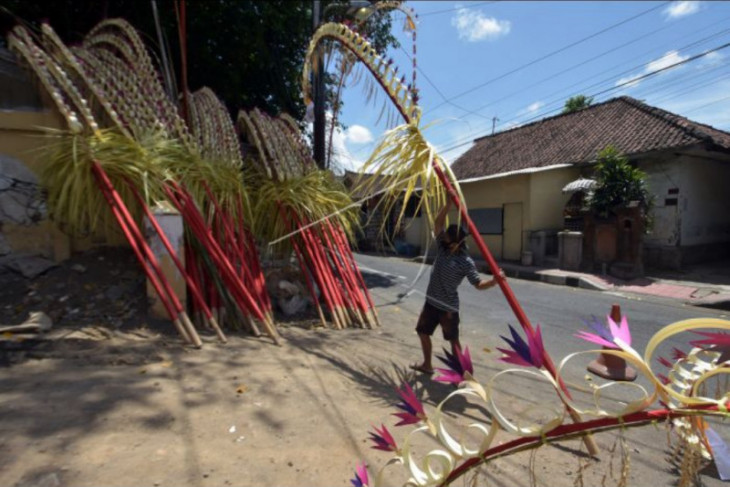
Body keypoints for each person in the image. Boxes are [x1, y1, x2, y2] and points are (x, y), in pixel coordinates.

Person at [411, 199, 504, 375]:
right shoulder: (442, 248)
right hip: (431, 303)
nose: (444, 236)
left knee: (453, 341)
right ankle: (427, 365)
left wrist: (492, 282)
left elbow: (478, 284)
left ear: (455, 242)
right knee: (422, 332)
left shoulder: (465, 262)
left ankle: (464, 374)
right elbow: (438, 224)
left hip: (448, 309)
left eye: (447, 236)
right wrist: (447, 204)